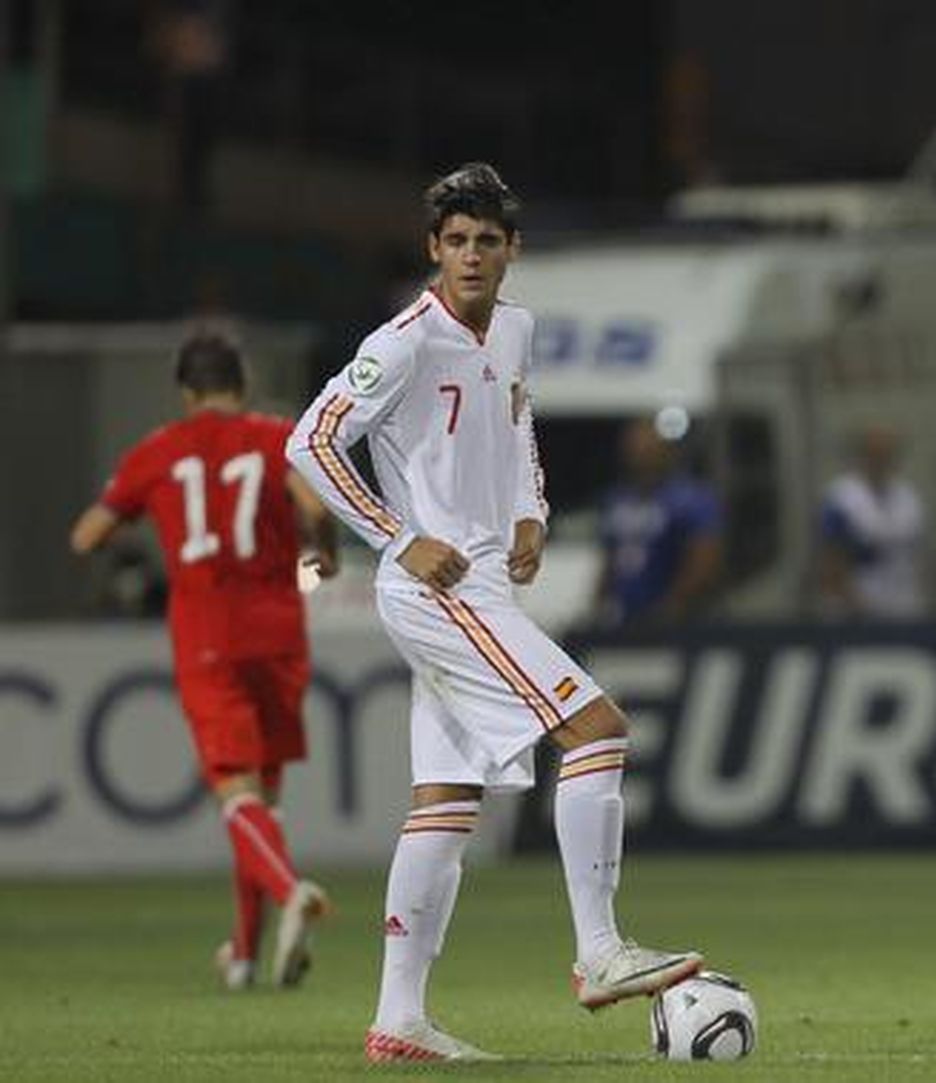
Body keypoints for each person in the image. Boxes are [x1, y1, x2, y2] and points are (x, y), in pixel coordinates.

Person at [286, 163, 701, 1063]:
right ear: (433, 249)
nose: (471, 255)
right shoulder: (402, 342)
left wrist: (532, 510)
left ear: (512, 251)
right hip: (438, 588)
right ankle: (598, 950)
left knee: (444, 800)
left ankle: (399, 1016)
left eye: (487, 240)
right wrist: (397, 537)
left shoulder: (513, 328)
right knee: (597, 729)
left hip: (484, 575)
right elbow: (310, 441)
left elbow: (517, 424)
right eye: (456, 241)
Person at [69, 333, 338, 991]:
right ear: (240, 382)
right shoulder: (278, 436)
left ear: (185, 390)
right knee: (262, 804)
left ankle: (290, 892)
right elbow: (315, 506)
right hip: (279, 631)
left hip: (208, 631)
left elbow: (86, 536)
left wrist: (142, 521)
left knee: (235, 793)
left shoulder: (159, 450)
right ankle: (244, 954)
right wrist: (320, 555)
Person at [594, 416, 723, 629]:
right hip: (626, 615)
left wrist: (673, 605)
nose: (640, 456)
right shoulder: (616, 499)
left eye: (647, 449)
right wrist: (600, 603)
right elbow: (610, 560)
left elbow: (704, 558)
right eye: (634, 448)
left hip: (677, 620)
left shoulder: (690, 499)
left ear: (665, 451)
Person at [816, 423, 927, 618]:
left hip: (903, 604)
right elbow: (831, 558)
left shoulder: (909, 498)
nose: (881, 461)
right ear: (863, 457)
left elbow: (918, 555)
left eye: (886, 455)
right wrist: (856, 604)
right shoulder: (842, 497)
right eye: (875, 455)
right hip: (855, 609)